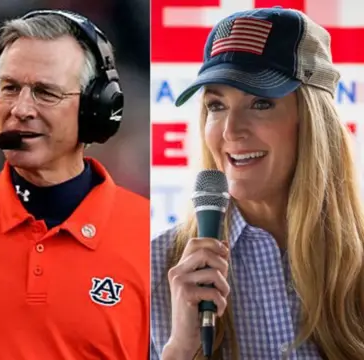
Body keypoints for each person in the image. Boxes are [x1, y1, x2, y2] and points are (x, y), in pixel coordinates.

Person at [151, 6, 364, 360]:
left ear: (312, 123)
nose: (231, 130)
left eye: (261, 103)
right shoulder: (155, 267)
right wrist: (180, 350)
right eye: (216, 106)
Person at [0, 9, 150, 360]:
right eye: (9, 88)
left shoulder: (154, 239)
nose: (21, 108)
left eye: (45, 92)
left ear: (96, 108)